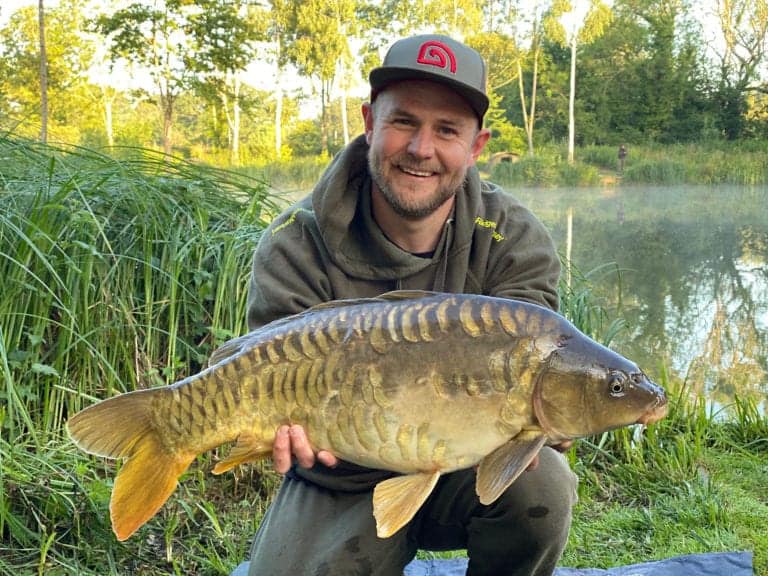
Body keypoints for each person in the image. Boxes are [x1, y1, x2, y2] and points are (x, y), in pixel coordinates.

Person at [244, 34, 578, 576]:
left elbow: (544, 366)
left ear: (476, 146)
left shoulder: (513, 237)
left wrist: (550, 420)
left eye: (447, 130)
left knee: (542, 485)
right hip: (340, 472)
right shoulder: (294, 243)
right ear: (370, 123)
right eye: (404, 122)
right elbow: (267, 368)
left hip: (467, 472)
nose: (422, 148)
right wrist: (285, 431)